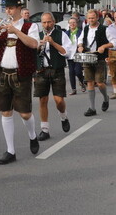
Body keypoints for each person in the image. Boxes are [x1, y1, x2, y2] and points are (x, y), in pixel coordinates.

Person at [0, 0, 40, 164]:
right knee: (5, 111)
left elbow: (33, 44)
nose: (8, 11)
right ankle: (10, 150)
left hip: (21, 74)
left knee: (24, 113)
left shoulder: (30, 26)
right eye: (6, 8)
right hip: (3, 73)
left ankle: (32, 135)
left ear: (19, 8)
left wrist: (16, 31)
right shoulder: (2, 26)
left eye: (10, 8)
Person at [34, 12, 71, 141]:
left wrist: (53, 43)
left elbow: (67, 52)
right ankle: (45, 129)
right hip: (41, 71)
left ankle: (63, 116)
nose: (46, 25)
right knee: (42, 100)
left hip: (57, 70)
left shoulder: (61, 35)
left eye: (49, 22)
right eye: (44, 22)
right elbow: (32, 54)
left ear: (53, 22)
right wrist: (39, 47)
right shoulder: (38, 36)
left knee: (59, 100)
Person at [77, 10, 111, 116]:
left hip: (99, 58)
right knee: (90, 82)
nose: (91, 20)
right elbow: (80, 39)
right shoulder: (86, 28)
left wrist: (103, 47)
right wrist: (80, 46)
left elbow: (112, 42)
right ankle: (92, 108)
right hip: (88, 57)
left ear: (97, 18)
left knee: (100, 83)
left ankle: (106, 98)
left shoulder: (104, 28)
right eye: (89, 18)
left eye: (93, 18)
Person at [65, 17, 85, 95]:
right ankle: (73, 89)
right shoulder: (66, 33)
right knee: (71, 72)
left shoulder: (80, 32)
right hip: (70, 55)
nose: (72, 24)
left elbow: (82, 42)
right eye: (70, 23)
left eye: (74, 22)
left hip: (78, 54)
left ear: (76, 24)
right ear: (69, 24)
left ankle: (82, 81)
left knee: (78, 71)